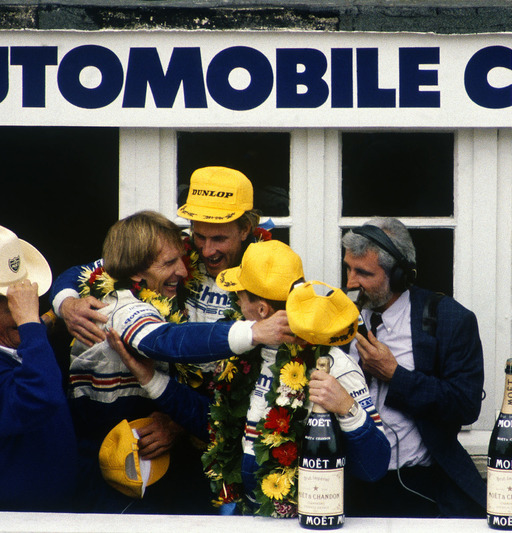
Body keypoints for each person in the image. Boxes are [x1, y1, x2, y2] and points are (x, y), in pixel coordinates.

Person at [110, 241, 390, 516]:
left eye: (239, 295)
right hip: (247, 518)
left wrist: (346, 408)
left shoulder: (334, 366)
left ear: (261, 310)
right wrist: (150, 378)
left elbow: (374, 468)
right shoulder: (245, 356)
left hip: (308, 521)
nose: (234, 301)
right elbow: (215, 425)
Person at [68, 211, 294, 513]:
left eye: (181, 260)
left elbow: (209, 417)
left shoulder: (158, 302)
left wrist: (174, 422)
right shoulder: (117, 306)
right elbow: (164, 341)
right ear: (136, 273)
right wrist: (253, 331)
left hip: (151, 475)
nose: (184, 272)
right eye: (169, 263)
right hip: (108, 484)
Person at [342, 217, 486, 518]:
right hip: (347, 483)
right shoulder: (339, 316)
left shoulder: (449, 319)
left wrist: (395, 376)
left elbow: (465, 405)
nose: (350, 282)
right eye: (348, 268)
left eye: (363, 273)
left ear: (397, 275)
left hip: (416, 485)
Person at [51, 165, 270, 347]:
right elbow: (80, 272)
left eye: (219, 239)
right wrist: (67, 305)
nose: (207, 250)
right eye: (200, 236)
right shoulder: (178, 254)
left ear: (245, 229)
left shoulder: (271, 270)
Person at [0, 226, 77, 511]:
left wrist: (62, 311)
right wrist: (30, 323)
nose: (23, 314)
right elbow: (41, 395)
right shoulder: (28, 337)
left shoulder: (23, 346)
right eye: (14, 305)